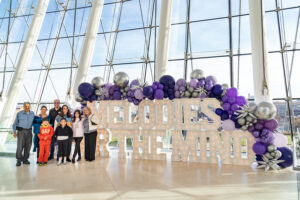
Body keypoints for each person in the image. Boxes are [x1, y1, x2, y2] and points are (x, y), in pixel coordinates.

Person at [12, 102, 35, 166]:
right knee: (20, 146)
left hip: (29, 131)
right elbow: (14, 124)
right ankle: (18, 160)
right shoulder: (19, 114)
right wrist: (14, 132)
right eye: (26, 106)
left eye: (28, 106)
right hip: (21, 131)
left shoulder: (32, 113)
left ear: (30, 107)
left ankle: (25, 159)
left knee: (28, 146)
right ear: (23, 107)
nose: (27, 107)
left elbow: (35, 121)